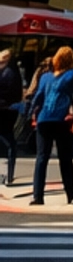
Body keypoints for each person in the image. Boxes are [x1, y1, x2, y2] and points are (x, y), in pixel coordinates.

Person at [27, 43, 73, 206]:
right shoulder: (72, 75)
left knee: (41, 158)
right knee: (65, 158)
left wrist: (32, 113)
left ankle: (37, 196)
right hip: (62, 120)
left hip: (44, 119)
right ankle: (71, 192)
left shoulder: (45, 77)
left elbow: (38, 97)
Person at [0, 46, 22, 187]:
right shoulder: (13, 72)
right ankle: (9, 174)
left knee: (8, 141)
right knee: (9, 142)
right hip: (9, 110)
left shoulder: (6, 73)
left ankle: (8, 175)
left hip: (4, 110)